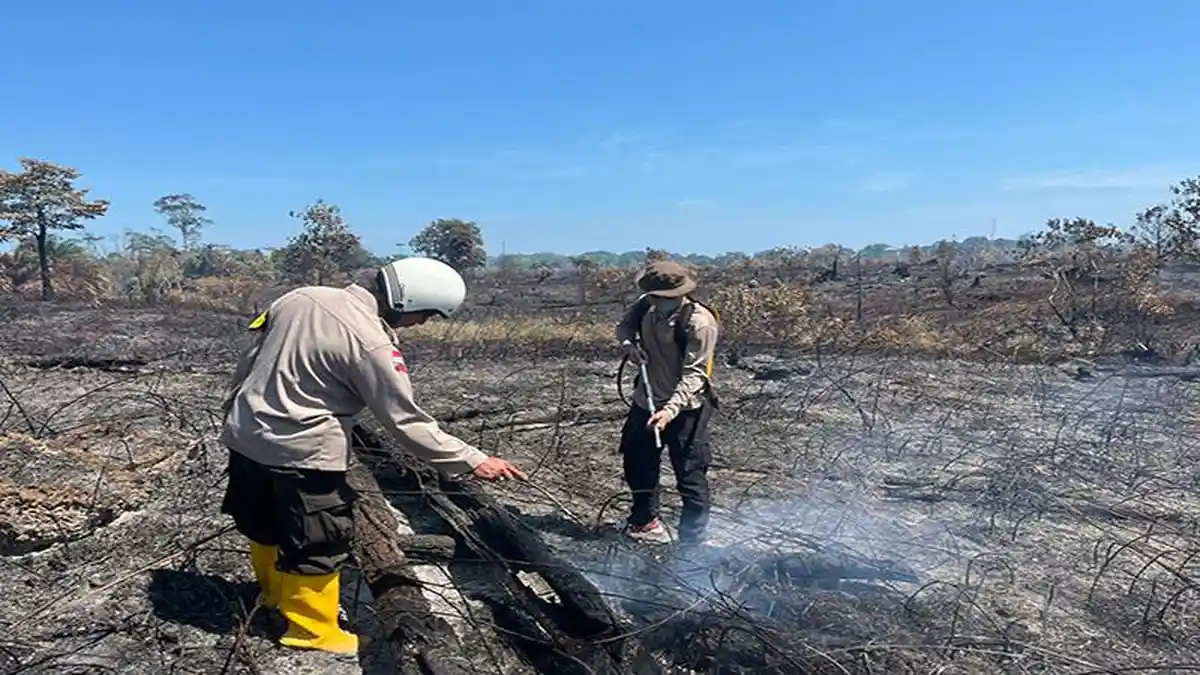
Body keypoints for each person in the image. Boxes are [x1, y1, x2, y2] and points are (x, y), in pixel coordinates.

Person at [218, 257, 525, 655]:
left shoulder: (300, 297)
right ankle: (312, 631)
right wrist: (472, 459)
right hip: (304, 452)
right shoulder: (371, 342)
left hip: (245, 435)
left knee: (262, 523)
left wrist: (235, 414)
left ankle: (273, 597)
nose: (422, 324)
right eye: (425, 315)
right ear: (407, 301)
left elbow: (249, 359)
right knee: (318, 541)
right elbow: (407, 423)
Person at [614, 259, 719, 546]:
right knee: (638, 462)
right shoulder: (645, 304)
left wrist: (669, 411)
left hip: (686, 410)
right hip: (644, 400)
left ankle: (691, 543)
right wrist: (630, 348)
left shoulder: (699, 323)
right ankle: (645, 521)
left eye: (662, 297)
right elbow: (623, 328)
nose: (657, 301)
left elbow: (696, 374)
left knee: (690, 476)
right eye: (653, 296)